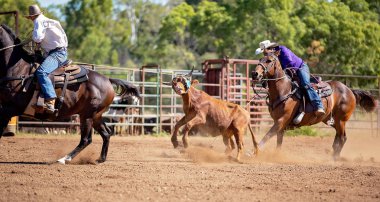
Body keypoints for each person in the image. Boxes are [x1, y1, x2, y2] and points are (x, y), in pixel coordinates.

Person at [256, 40, 325, 116]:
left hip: (300, 67)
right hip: (289, 71)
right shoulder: (271, 57)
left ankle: (319, 106)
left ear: (270, 48)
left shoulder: (283, 49)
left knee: (305, 84)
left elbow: (289, 62)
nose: (264, 54)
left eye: (265, 52)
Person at [25, 4, 68, 114]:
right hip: (57, 51)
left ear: (31, 17)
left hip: (57, 53)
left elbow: (38, 37)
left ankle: (50, 100)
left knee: (41, 72)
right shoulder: (49, 21)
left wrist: (33, 39)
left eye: (30, 18)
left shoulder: (38, 21)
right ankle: (40, 99)